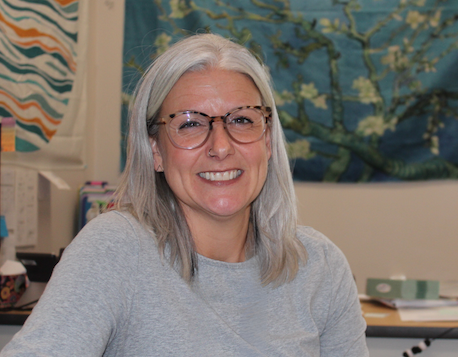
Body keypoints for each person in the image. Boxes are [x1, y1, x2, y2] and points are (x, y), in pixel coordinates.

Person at [0, 33, 368, 356]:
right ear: (156, 151)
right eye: (191, 124)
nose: (221, 147)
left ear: (267, 140)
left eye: (241, 119)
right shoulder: (113, 250)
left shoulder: (320, 266)